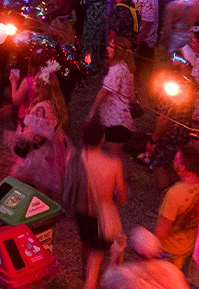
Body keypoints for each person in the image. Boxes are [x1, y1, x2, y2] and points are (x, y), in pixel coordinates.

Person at [76, 121, 128, 289]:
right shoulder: (113, 163)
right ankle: (96, 280)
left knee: (86, 243)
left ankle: (85, 271)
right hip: (102, 215)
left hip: (82, 211)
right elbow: (121, 195)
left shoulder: (77, 158)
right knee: (99, 258)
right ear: (102, 139)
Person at [153, 144, 199, 276]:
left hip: (168, 250)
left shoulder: (174, 194)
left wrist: (150, 248)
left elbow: (163, 227)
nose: (173, 162)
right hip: (188, 247)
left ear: (181, 167)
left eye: (175, 160)